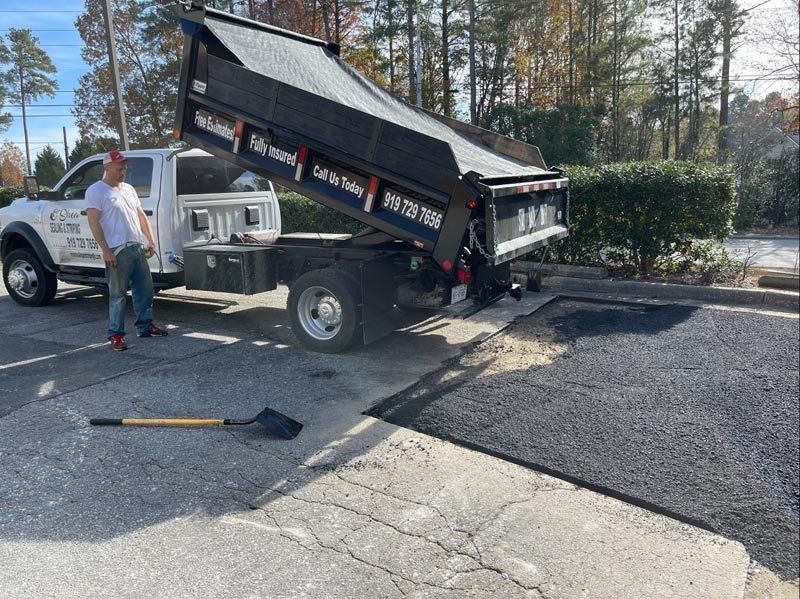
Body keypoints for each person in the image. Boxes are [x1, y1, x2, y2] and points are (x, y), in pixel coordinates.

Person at [86, 150, 168, 351]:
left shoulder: (129, 189)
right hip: (117, 250)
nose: (123, 171)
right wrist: (106, 250)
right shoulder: (96, 191)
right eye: (119, 167)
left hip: (136, 247)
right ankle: (116, 335)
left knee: (145, 290)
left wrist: (150, 239)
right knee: (118, 294)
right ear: (107, 167)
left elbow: (140, 216)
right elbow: (94, 222)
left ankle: (145, 326)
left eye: (124, 167)